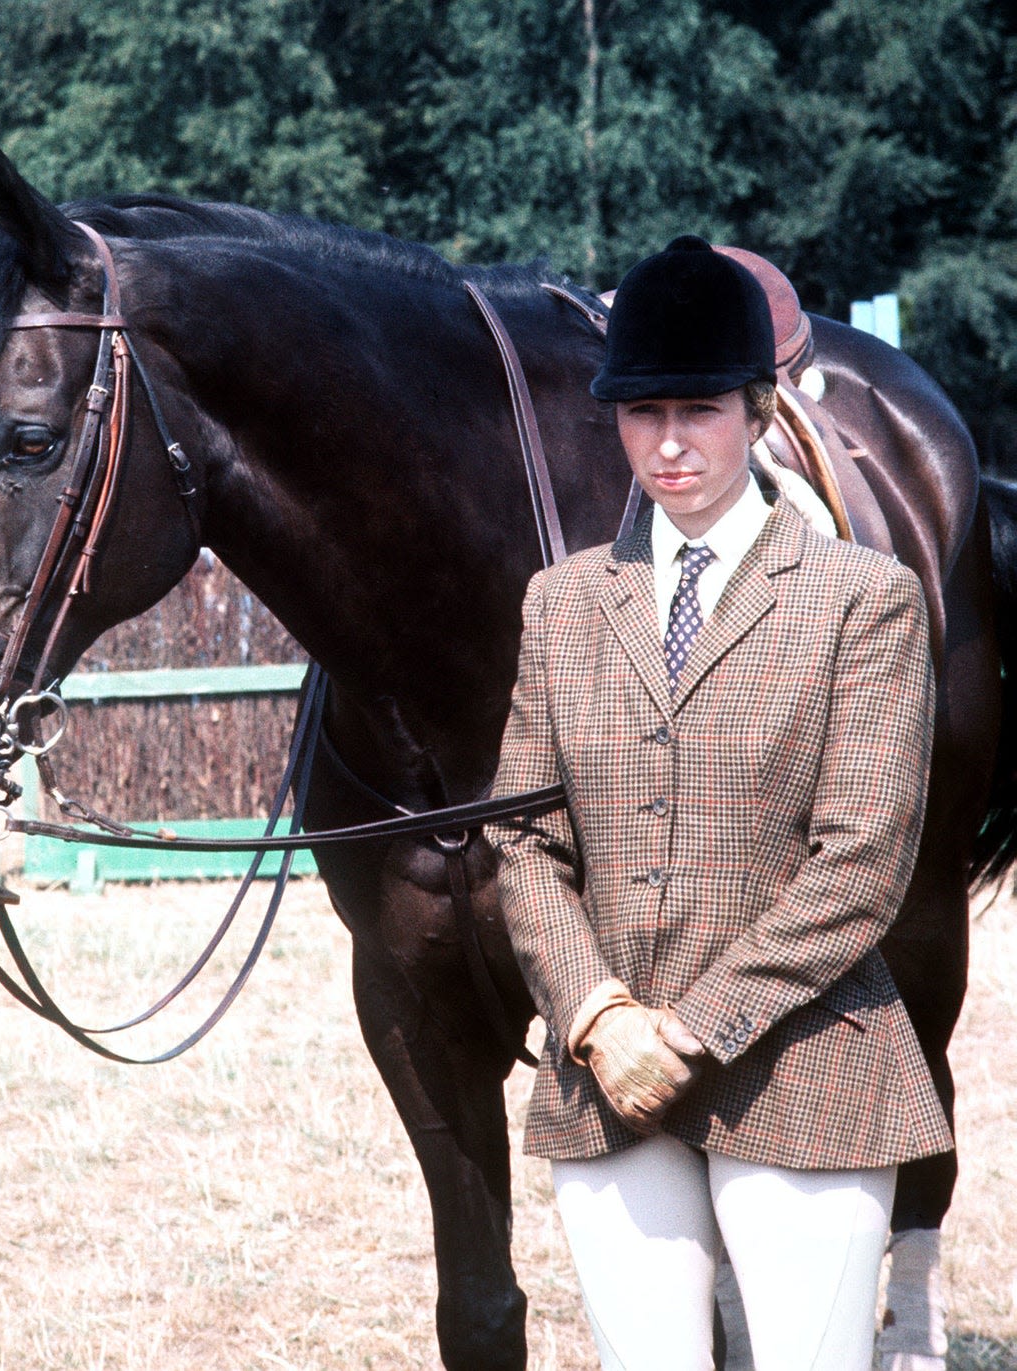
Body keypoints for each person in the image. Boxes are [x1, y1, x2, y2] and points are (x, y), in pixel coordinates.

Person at [487, 235, 952, 1371]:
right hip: (611, 1070)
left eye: (698, 409)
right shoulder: (563, 604)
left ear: (758, 408)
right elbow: (522, 837)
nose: (669, 442)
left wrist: (691, 1031)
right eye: (641, 413)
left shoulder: (865, 600)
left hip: (807, 1061)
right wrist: (598, 1017)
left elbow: (863, 861)